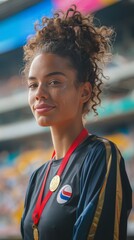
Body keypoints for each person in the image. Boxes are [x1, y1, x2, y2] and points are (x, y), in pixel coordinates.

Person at [20, 5, 132, 240]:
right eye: (33, 85)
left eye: (54, 82)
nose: (39, 93)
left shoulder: (100, 155)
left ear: (84, 92)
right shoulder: (37, 176)